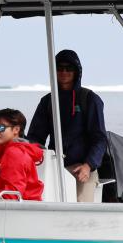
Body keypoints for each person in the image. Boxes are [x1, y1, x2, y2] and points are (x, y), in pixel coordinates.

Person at [27, 49, 108, 202]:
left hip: (83, 170)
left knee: (82, 213)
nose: (64, 72)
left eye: (69, 68)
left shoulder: (90, 99)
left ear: (77, 71)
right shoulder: (47, 102)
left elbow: (99, 139)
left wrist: (88, 165)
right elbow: (35, 138)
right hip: (54, 169)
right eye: (59, 68)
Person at [0, 108, 44, 201]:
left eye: (1, 128)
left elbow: (12, 196)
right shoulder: (11, 151)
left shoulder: (14, 153)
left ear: (16, 129)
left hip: (19, 211)